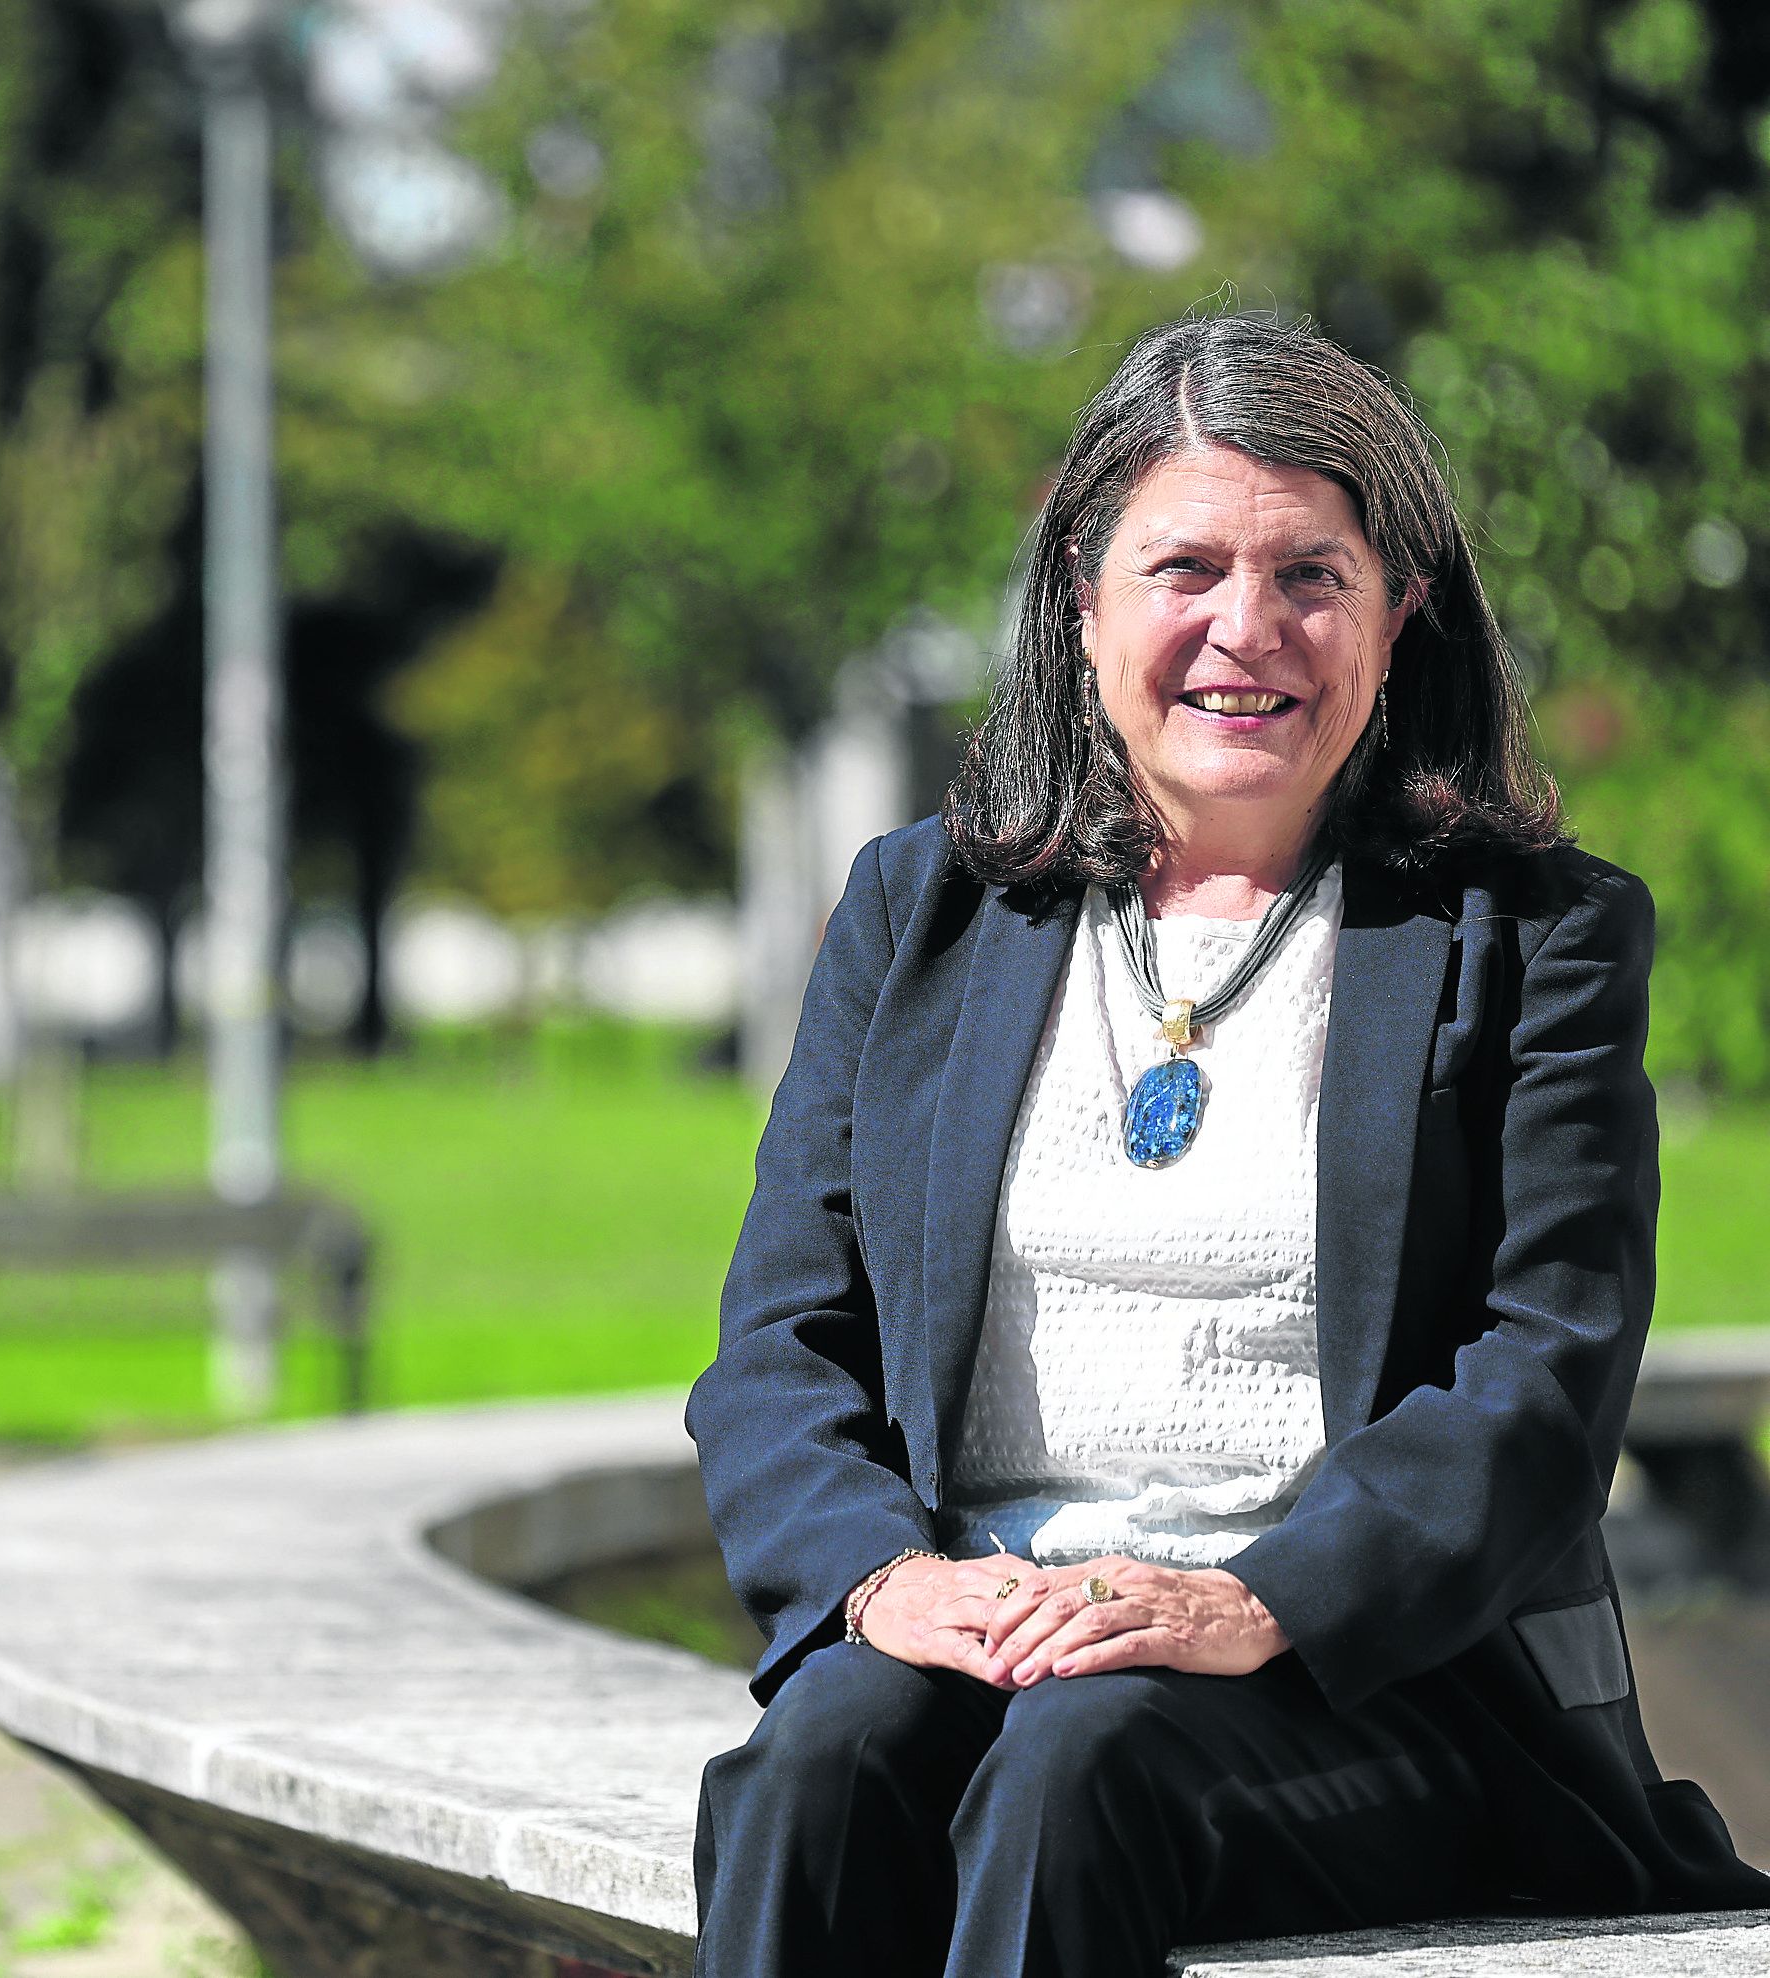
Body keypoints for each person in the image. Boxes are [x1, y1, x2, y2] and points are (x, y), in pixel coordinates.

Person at [684, 313, 1769, 1978]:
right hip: (990, 1629)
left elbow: (1546, 1376)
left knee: (1082, 1767)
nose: (1245, 630)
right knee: (818, 1761)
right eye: (1184, 567)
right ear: (1083, 600)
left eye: (1310, 577)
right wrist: (884, 1580)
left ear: (1400, 613)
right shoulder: (922, 914)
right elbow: (779, 1341)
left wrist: (1258, 1599)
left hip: (1371, 1679)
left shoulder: (1537, 937)